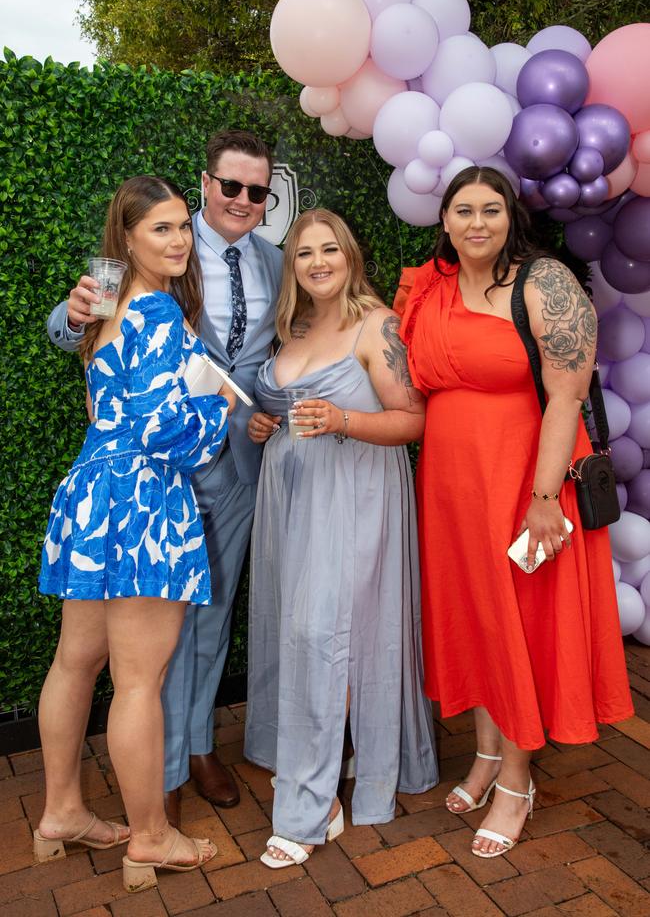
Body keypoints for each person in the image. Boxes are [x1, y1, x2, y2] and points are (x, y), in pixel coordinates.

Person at [395, 166, 633, 859]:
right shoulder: (430, 286)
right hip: (450, 484)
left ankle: (519, 779)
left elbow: (565, 398)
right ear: (443, 218)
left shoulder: (544, 282)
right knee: (472, 611)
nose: (476, 223)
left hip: (522, 477)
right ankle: (488, 752)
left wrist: (541, 499)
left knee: (519, 618)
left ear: (510, 218)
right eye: (463, 210)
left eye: (490, 210)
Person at [47, 131, 284, 824]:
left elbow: (283, 351)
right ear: (206, 183)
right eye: (231, 186)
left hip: (238, 463)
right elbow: (78, 326)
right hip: (162, 473)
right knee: (145, 649)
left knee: (207, 620)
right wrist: (72, 312)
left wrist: (267, 411)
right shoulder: (138, 266)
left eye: (257, 191)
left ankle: (198, 744)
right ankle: (163, 773)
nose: (243, 200)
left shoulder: (275, 259)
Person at [36, 175, 234, 892]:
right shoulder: (154, 313)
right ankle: (149, 836)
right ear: (128, 238)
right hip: (143, 503)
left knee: (75, 664)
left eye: (184, 226)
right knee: (138, 682)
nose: (179, 239)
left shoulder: (107, 301)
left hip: (90, 493)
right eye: (162, 229)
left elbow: (94, 376)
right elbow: (169, 435)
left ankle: (61, 811)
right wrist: (215, 404)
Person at [244, 208, 439, 868]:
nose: (318, 262)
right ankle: (318, 760)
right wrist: (264, 427)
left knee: (323, 635)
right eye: (305, 253)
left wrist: (345, 418)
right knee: (297, 631)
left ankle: (314, 803)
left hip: (352, 499)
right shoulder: (294, 326)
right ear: (291, 265)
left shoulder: (377, 324)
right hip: (291, 498)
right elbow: (283, 406)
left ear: (349, 256)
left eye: (330, 250)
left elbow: (413, 420)